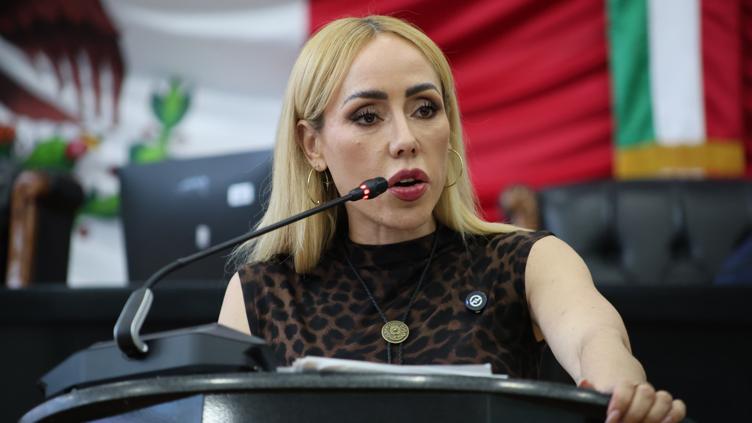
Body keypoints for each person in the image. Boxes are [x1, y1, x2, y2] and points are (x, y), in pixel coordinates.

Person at [219, 15, 686, 423]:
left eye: (425, 109)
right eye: (367, 116)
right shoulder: (264, 292)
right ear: (312, 145)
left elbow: (594, 336)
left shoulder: (525, 260)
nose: (406, 139)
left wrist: (619, 389)